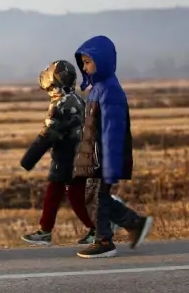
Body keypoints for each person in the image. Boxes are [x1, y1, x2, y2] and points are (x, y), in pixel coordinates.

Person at [72, 35, 154, 258]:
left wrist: (110, 166)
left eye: (88, 62)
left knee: (96, 197)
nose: (85, 67)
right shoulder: (97, 89)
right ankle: (134, 223)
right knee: (96, 197)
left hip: (103, 157)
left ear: (103, 61)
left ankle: (104, 240)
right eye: (83, 63)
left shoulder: (110, 91)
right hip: (94, 156)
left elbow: (112, 132)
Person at [20, 60, 96, 247]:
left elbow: (48, 134)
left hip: (68, 158)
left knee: (71, 197)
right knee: (59, 193)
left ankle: (98, 229)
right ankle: (46, 231)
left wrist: (28, 160)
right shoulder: (78, 98)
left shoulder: (61, 103)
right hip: (78, 155)